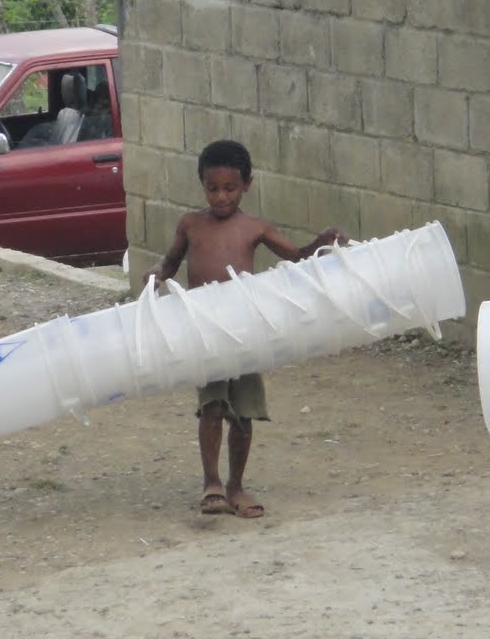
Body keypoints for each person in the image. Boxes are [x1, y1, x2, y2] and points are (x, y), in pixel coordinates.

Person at [142, 139, 348, 520]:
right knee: (212, 405)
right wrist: (157, 275)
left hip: (245, 332)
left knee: (243, 411)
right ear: (202, 184)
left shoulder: (255, 228)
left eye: (230, 189)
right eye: (212, 188)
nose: (221, 197)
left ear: (248, 185)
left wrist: (322, 241)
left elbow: (297, 256)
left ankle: (236, 485)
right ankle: (212, 484)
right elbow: (170, 262)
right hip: (205, 331)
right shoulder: (190, 224)